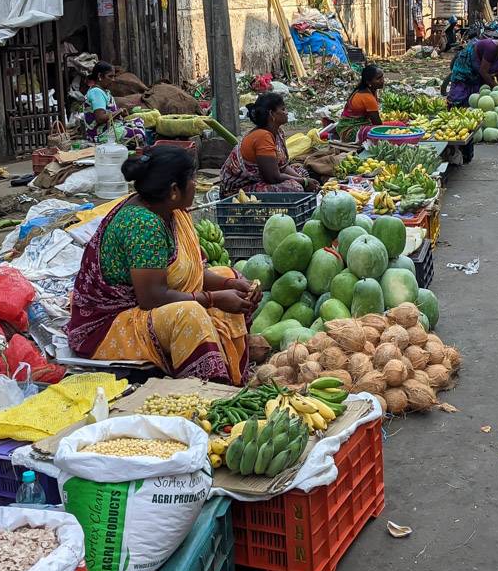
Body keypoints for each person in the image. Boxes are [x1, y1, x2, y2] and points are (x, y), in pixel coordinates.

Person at [68, 146, 260, 385]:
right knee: (189, 315)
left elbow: (192, 272)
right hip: (110, 324)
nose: (196, 184)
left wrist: (230, 283)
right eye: (192, 179)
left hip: (148, 301)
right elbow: (151, 298)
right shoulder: (142, 225)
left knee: (228, 272)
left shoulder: (170, 211)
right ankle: (209, 388)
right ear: (173, 190)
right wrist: (214, 298)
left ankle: (229, 365)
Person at [218, 93, 317, 196]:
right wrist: (303, 182)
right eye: (283, 110)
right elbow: (272, 177)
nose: (286, 113)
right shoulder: (262, 137)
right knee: (295, 188)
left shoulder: (278, 132)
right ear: (271, 114)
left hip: (261, 180)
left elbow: (283, 166)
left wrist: (303, 179)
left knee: (301, 171)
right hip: (238, 190)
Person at [444, 32, 498, 107]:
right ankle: (452, 107)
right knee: (460, 90)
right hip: (466, 65)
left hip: (478, 70)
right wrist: (496, 88)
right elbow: (483, 72)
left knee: (476, 94)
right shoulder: (491, 48)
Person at [82, 61, 146, 145]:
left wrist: (120, 114)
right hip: (100, 134)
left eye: (114, 76)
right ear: (100, 76)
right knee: (138, 133)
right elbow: (100, 118)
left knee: (139, 121)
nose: (113, 80)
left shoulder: (104, 91)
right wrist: (118, 111)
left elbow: (108, 113)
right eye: (110, 76)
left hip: (110, 127)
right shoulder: (96, 92)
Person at [335, 64, 386, 142]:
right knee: (384, 132)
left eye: (382, 77)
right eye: (378, 78)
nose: (382, 80)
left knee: (398, 125)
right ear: (369, 81)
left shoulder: (371, 90)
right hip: (349, 131)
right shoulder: (367, 96)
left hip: (362, 125)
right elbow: (377, 124)